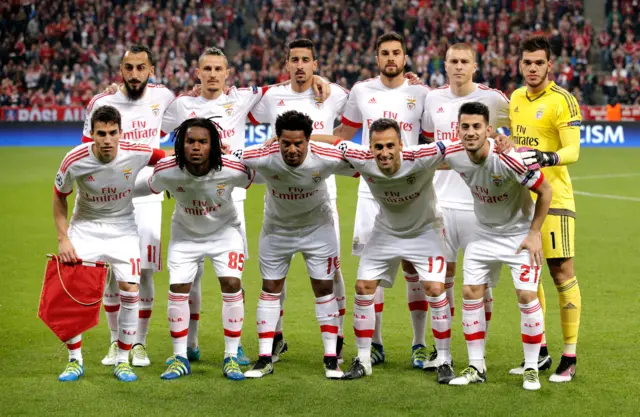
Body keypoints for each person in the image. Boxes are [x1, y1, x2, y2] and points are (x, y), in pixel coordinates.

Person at [161, 47, 330, 365]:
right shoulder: (182, 105)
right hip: (193, 198)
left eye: (218, 69)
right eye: (206, 69)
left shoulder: (242, 98)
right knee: (190, 278)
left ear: (227, 74)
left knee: (232, 279)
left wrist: (316, 76)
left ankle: (235, 346)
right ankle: (191, 344)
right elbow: (150, 134)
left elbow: (288, 83)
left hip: (231, 196)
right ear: (197, 73)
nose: (212, 74)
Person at [326, 119, 454, 383]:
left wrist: (496, 140)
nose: (384, 152)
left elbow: (463, 144)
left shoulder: (422, 156)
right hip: (385, 232)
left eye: (390, 146)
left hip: (425, 231)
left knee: (435, 289)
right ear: (370, 147)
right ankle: (363, 359)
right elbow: (334, 141)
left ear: (401, 145)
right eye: (378, 146)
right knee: (363, 287)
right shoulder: (362, 158)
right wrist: (295, 138)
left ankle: (443, 359)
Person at [247, 38, 350, 363]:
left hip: (323, 188)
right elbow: (232, 106)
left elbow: (350, 128)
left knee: (332, 274)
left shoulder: (334, 92)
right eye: (295, 59)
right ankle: (275, 336)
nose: (301, 65)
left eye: (307, 59)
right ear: (287, 63)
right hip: (283, 188)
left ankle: (339, 337)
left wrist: (314, 143)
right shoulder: (271, 96)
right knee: (278, 272)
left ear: (315, 63)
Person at [334, 31, 432, 369]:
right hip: (370, 190)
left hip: (411, 190)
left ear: (405, 58)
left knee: (414, 269)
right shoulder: (361, 91)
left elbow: (434, 142)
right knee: (369, 271)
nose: (391, 58)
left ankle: (419, 343)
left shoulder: (422, 93)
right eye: (384, 53)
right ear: (376, 59)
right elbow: (343, 135)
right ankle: (374, 342)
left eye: (396, 53)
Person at [235, 110, 357, 380]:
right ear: (276, 140)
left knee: (324, 288)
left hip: (318, 229)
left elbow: (361, 163)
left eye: (298, 143)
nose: (292, 149)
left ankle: (330, 359)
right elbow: (228, 159)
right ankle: (265, 357)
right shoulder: (261, 156)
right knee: (270, 288)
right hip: (277, 231)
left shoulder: (325, 157)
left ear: (309, 141)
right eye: (285, 143)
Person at [54, 105, 167, 382]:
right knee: (74, 291)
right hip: (85, 227)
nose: (107, 139)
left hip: (123, 228)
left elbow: (168, 158)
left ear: (120, 132)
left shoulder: (137, 151)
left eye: (112, 133)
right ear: (91, 134)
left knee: (130, 288)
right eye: (101, 133)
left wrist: (214, 152)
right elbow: (59, 196)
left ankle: (122, 359)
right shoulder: (74, 160)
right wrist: (63, 238)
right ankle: (74, 360)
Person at [445, 102, 552, 391]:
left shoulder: (508, 159)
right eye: (465, 127)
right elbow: (424, 156)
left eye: (477, 126)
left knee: (527, 295)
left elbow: (545, 191)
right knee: (470, 292)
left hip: (518, 235)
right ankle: (476, 366)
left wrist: (534, 233)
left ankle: (531, 368)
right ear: (457, 129)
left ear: (489, 130)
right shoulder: (454, 153)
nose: (470, 132)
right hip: (482, 234)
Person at [81, 44, 175, 367]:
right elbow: (86, 153)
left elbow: (191, 112)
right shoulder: (102, 102)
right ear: (120, 70)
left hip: (148, 194)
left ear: (151, 70)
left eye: (140, 67)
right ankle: (113, 342)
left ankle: (139, 344)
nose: (134, 74)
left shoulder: (163, 98)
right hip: (111, 197)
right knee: (111, 271)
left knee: (144, 271)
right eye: (129, 67)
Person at [420, 42, 511, 370]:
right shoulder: (432, 98)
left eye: (464, 61)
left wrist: (507, 139)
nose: (458, 66)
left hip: (479, 207)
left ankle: (478, 351)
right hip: (440, 203)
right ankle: (441, 352)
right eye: (453, 61)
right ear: (444, 64)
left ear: (475, 65)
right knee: (440, 281)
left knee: (480, 285)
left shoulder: (494, 99)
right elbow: (429, 144)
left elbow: (514, 134)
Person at [145, 118, 256, 381]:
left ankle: (230, 356)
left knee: (231, 283)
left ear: (213, 145)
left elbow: (253, 177)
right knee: (178, 289)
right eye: (190, 141)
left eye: (203, 142)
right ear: (180, 144)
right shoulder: (165, 170)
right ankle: (181, 357)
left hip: (225, 232)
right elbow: (151, 186)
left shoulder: (232, 169)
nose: (196, 147)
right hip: (185, 235)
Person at [507, 36, 582, 382]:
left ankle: (569, 356)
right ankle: (540, 352)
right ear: (519, 64)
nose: (533, 68)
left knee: (560, 272)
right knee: (529, 275)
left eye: (539, 62)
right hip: (523, 201)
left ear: (549, 65)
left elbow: (573, 151)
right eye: (527, 62)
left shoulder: (562, 100)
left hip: (556, 200)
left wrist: (546, 157)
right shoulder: (516, 99)